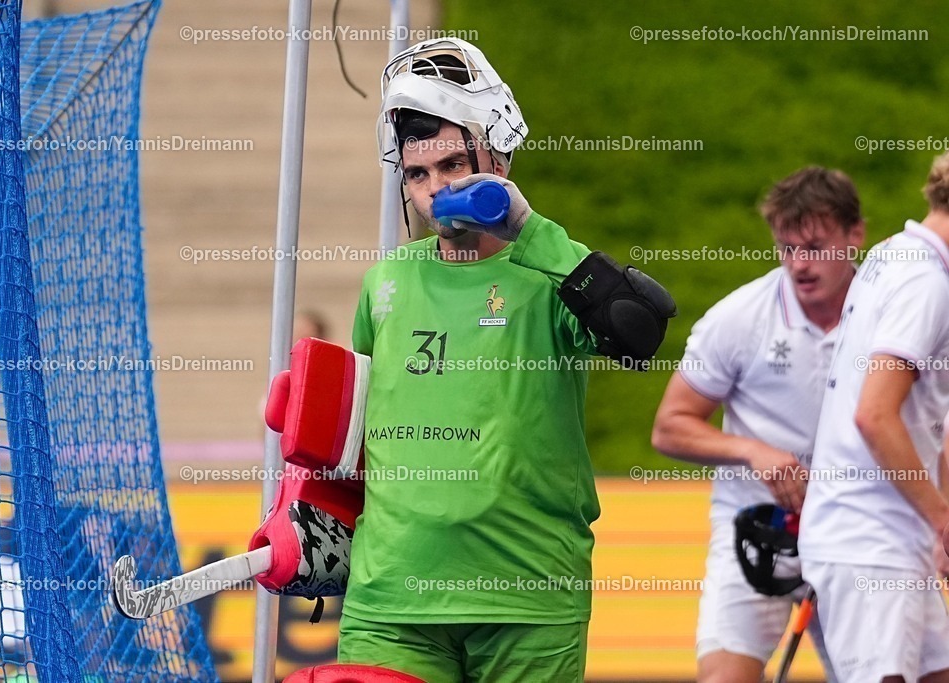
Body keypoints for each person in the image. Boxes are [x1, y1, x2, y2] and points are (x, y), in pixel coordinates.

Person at [336, 38, 675, 682]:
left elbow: (642, 332)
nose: (436, 191)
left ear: (498, 155)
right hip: (391, 603)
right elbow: (355, 437)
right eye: (416, 175)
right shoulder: (384, 282)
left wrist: (529, 229)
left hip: (527, 600)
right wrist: (315, 517)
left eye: (452, 165)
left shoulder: (551, 271)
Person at [651, 166, 864, 682]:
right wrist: (754, 451)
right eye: (786, 248)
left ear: (855, 235)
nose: (799, 264)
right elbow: (670, 425)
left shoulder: (890, 313)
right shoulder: (739, 318)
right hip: (757, 532)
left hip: (858, 529)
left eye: (814, 247)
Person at [799, 153, 949, 683]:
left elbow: (928, 416)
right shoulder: (926, 282)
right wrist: (943, 518)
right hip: (870, 543)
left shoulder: (890, 255)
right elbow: (875, 415)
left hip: (890, 536)